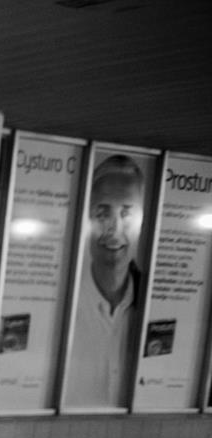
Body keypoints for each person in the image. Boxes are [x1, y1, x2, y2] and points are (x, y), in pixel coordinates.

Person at [67, 154, 145, 408]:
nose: (114, 229)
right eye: (102, 213)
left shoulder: (155, 300)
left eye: (127, 214)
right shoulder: (62, 300)